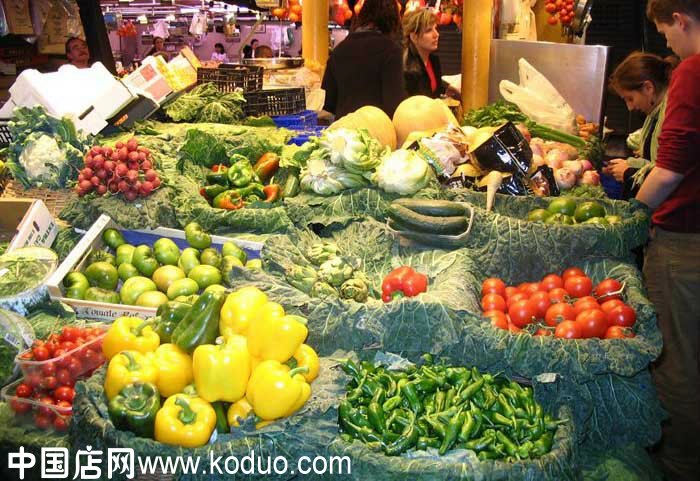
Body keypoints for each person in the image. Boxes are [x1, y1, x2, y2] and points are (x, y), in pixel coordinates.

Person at [638, 2, 700, 481]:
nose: (668, 45)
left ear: (680, 19)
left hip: (684, 240)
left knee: (676, 358)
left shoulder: (693, 72)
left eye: (665, 34)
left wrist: (632, 214)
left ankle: (679, 463)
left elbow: (670, 169)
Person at [604, 52, 677, 199]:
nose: (630, 107)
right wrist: (630, 164)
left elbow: (667, 176)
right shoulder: (656, 113)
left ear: (648, 88)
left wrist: (629, 172)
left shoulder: (671, 115)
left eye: (630, 99)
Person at [321, 0, 406, 119]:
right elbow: (394, 104)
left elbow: (328, 104)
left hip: (343, 127)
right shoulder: (391, 51)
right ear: (392, 20)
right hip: (376, 127)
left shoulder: (339, 50)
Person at [402, 8, 446, 98]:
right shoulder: (408, 69)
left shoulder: (433, 60)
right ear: (414, 37)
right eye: (429, 30)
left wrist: (447, 88)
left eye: (435, 28)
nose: (436, 34)